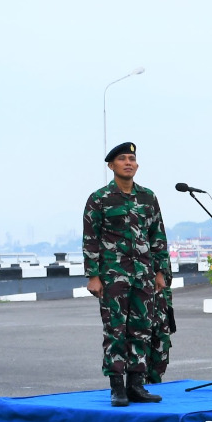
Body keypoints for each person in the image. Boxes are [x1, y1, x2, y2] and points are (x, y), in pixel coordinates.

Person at [82, 142, 170, 407]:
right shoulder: (100, 198)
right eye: (122, 159)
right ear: (112, 166)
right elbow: (91, 238)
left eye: (132, 158)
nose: (128, 163)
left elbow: (157, 236)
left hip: (143, 274)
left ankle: (136, 385)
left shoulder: (148, 197)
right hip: (113, 276)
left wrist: (160, 272)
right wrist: (93, 275)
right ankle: (117, 387)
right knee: (116, 330)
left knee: (142, 329)